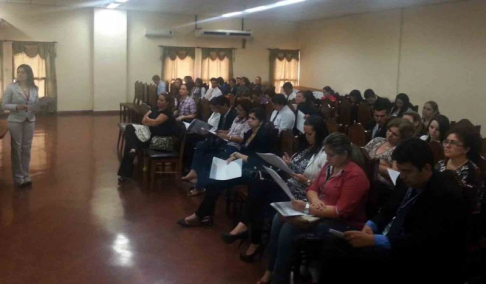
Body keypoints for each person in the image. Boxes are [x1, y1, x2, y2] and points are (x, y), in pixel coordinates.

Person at [319, 138, 468, 284]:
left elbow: (424, 240)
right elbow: (388, 209)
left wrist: (374, 240)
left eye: (407, 171)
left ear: (427, 168)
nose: (402, 176)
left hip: (415, 255)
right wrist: (371, 225)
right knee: (334, 244)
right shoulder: (405, 181)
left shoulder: (445, 194)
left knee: (347, 258)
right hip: (390, 239)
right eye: (400, 170)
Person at [257, 133, 370, 284]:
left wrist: (307, 208)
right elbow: (312, 188)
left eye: (331, 155)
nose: (327, 159)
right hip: (321, 212)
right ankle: (269, 270)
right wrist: (315, 200)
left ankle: (279, 278)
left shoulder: (355, 176)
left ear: (345, 154)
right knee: (278, 218)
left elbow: (340, 211)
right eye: (326, 154)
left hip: (342, 223)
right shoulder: (330, 165)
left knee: (289, 228)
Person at [221, 116, 329, 262]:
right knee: (257, 185)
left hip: (302, 195)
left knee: (261, 197)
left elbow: (322, 183)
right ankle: (247, 231)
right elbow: (297, 167)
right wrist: (288, 164)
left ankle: (250, 236)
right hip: (290, 185)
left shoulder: (325, 154)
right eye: (306, 133)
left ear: (320, 133)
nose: (307, 137)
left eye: (310, 134)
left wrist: (306, 180)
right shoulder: (308, 148)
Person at [177, 107, 277, 226]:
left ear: (260, 121)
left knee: (216, 181)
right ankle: (204, 215)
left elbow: (258, 161)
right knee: (214, 175)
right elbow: (244, 152)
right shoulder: (250, 132)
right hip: (242, 165)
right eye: (249, 118)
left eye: (253, 119)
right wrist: (233, 157)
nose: (249, 121)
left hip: (253, 172)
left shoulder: (263, 137)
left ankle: (200, 215)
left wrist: (237, 155)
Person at [182, 99, 252, 196]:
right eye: (237, 109)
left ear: (246, 111)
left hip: (234, 147)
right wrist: (221, 132)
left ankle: (200, 185)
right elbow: (231, 130)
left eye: (240, 110)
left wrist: (228, 137)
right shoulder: (237, 118)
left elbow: (242, 139)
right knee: (201, 145)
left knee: (208, 158)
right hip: (225, 142)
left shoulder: (248, 122)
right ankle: (194, 172)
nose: (238, 111)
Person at [117, 93, 177, 181]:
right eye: (158, 99)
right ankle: (133, 149)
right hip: (148, 134)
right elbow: (143, 120)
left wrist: (149, 121)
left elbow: (155, 122)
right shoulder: (154, 108)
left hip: (159, 139)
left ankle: (126, 174)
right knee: (129, 128)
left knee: (130, 143)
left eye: (161, 100)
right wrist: (149, 121)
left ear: (167, 103)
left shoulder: (167, 113)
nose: (158, 101)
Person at [2, 64, 39, 187]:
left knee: (26, 148)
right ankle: (18, 177)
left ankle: (26, 175)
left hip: (30, 120)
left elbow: (36, 103)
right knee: (16, 148)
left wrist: (37, 107)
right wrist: (17, 107)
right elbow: (4, 105)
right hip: (15, 121)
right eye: (18, 72)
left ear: (28, 74)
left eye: (23, 72)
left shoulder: (34, 88)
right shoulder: (11, 88)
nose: (20, 74)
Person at [364, 118, 414, 182]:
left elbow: (395, 174)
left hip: (380, 183)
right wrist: (384, 166)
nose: (389, 135)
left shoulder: (401, 150)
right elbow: (361, 155)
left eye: (395, 134)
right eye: (389, 130)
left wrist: (374, 165)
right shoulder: (377, 140)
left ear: (402, 138)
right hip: (364, 175)